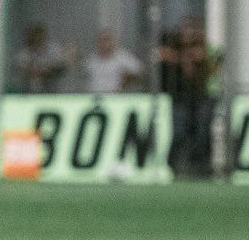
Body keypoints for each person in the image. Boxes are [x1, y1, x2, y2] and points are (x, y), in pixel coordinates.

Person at [159, 16, 221, 177]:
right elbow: (162, 55)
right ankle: (174, 165)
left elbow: (209, 64)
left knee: (202, 132)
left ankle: (201, 166)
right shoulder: (175, 46)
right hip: (181, 96)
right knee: (179, 132)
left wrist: (178, 57)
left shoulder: (206, 49)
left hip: (202, 96)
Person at [83, 29, 144, 94]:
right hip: (94, 97)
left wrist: (126, 81)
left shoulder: (123, 57)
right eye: (101, 41)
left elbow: (140, 72)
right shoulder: (91, 60)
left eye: (107, 40)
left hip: (116, 98)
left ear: (113, 42)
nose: (105, 44)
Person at [14, 24, 68, 92]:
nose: (37, 39)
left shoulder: (54, 49)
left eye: (40, 37)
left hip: (53, 85)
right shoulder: (25, 53)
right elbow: (21, 70)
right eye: (34, 37)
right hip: (30, 88)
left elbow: (62, 66)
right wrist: (34, 71)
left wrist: (48, 70)